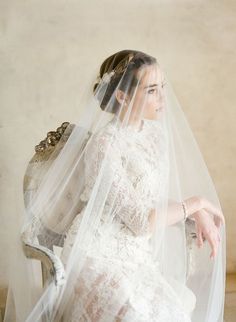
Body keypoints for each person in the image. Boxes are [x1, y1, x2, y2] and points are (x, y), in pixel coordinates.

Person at [4, 50, 226, 322]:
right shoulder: (103, 145)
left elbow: (147, 199)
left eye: (162, 88)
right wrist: (197, 203)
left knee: (171, 314)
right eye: (152, 90)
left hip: (136, 257)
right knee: (134, 316)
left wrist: (196, 212)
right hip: (95, 256)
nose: (163, 98)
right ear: (122, 96)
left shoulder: (155, 136)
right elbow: (140, 221)